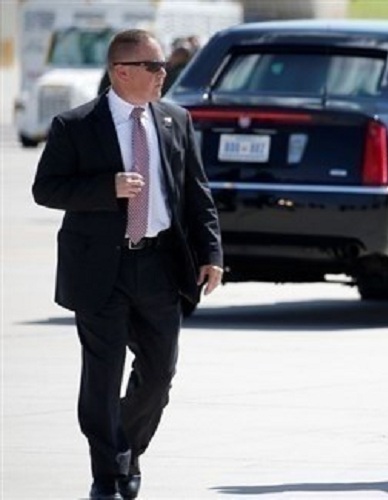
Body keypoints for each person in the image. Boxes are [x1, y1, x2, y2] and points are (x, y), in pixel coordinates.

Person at [32, 29, 223, 499]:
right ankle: (107, 475)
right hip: (100, 269)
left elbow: (197, 193)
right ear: (121, 71)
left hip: (160, 265)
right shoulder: (76, 125)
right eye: (154, 67)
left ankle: (126, 449)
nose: (164, 75)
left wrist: (212, 254)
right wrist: (107, 188)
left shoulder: (176, 120)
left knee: (159, 375)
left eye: (164, 67)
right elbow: (46, 189)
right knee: (102, 376)